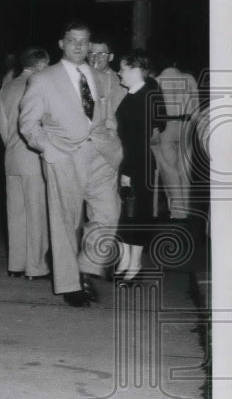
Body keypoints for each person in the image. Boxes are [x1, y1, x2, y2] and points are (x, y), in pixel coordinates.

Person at [18, 20, 125, 308]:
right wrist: (48, 149)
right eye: (73, 40)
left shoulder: (103, 78)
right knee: (64, 221)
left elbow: (108, 116)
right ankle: (69, 285)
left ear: (90, 45)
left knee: (109, 212)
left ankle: (87, 267)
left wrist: (111, 138)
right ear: (61, 44)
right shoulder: (43, 79)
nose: (79, 46)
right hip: (63, 155)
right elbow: (28, 125)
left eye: (84, 41)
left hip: (101, 156)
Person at [0, 47, 50, 280]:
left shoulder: (7, 87)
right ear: (40, 65)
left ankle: (15, 264)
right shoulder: (39, 86)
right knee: (36, 213)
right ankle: (35, 267)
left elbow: (3, 126)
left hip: (11, 157)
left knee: (16, 213)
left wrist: (11, 145)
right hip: (33, 157)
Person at [114, 50, 165, 282]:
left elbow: (138, 139)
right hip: (134, 161)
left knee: (137, 216)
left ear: (135, 69)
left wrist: (127, 172)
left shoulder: (143, 96)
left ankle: (134, 266)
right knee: (128, 215)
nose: (119, 72)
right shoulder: (137, 93)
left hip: (136, 163)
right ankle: (125, 262)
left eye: (123, 68)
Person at [152, 54, 199, 220]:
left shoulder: (156, 81)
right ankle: (186, 207)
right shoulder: (189, 79)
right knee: (184, 169)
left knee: (169, 169)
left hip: (166, 127)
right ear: (175, 62)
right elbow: (197, 108)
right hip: (186, 124)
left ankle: (177, 210)